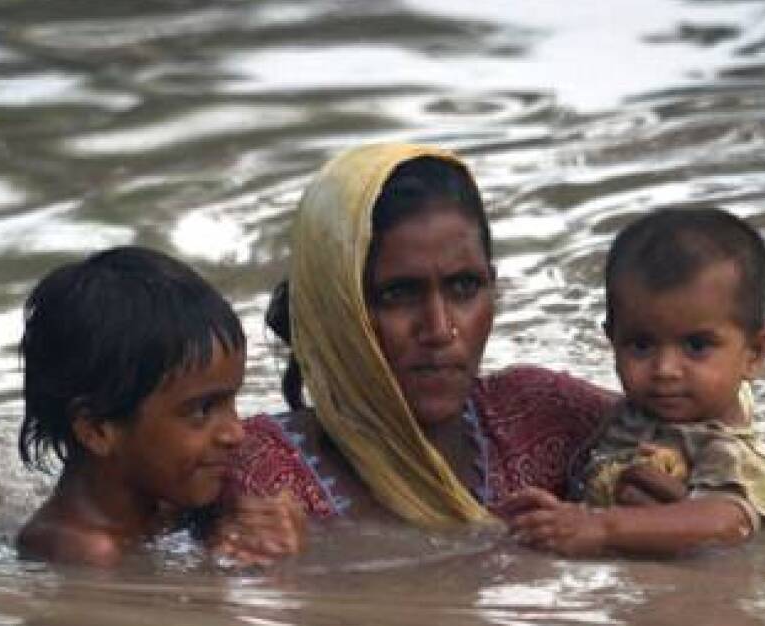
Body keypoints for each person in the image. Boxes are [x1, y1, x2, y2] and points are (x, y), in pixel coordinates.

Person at [222, 143, 615, 530]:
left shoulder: (545, 418)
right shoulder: (259, 481)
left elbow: (669, 434)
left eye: (464, 287)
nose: (440, 330)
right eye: (398, 294)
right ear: (336, 310)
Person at [497, 207, 765, 556]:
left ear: (754, 353)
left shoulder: (718, 443)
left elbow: (727, 521)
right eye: (641, 345)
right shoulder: (635, 414)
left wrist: (601, 527)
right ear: (612, 339)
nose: (665, 369)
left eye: (696, 346)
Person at [17, 246, 302, 567]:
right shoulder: (86, 555)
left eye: (231, 401)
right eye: (201, 411)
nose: (235, 432)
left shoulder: (167, 501)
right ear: (96, 430)